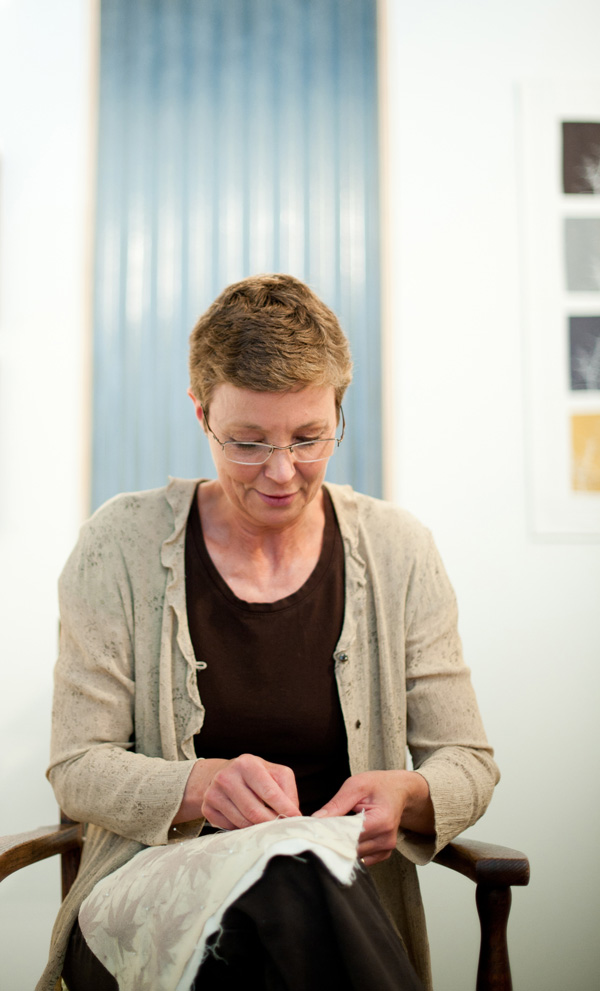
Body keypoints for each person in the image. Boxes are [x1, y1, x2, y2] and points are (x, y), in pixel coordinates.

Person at [38, 274, 499, 991]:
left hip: (330, 909)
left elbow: (467, 761)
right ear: (201, 415)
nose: (282, 472)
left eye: (309, 438)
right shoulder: (118, 544)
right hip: (146, 908)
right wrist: (198, 786)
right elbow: (77, 764)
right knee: (292, 869)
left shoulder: (399, 550)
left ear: (339, 410)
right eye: (248, 442)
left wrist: (408, 793)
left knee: (296, 874)